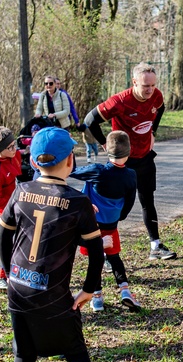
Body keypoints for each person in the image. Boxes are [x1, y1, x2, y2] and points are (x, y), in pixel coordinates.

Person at [0, 127, 134, 362]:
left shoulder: (20, 191)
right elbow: (97, 250)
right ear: (70, 161)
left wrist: (10, 275)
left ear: (32, 159)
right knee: (76, 354)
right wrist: (90, 288)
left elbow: (3, 235)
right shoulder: (77, 201)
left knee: (23, 357)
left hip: (18, 289)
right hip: (53, 295)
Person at [82, 63, 176, 260]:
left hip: (145, 159)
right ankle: (106, 253)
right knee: (115, 208)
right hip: (122, 162)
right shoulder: (120, 101)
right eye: (145, 86)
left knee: (147, 202)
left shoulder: (156, 95)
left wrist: (153, 132)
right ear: (134, 82)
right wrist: (104, 143)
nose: (150, 90)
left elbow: (160, 108)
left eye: (152, 85)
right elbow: (90, 120)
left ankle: (155, 246)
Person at [74, 131, 140, 312]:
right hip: (112, 225)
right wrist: (120, 216)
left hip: (92, 225)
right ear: (129, 151)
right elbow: (129, 201)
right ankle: (125, 291)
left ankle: (97, 298)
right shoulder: (131, 175)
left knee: (95, 261)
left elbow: (74, 172)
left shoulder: (97, 171)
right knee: (114, 257)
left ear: (105, 149)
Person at [0, 126, 24, 291]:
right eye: (10, 147)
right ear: (0, 150)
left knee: (21, 240)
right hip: (8, 210)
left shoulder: (14, 156)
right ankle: (3, 277)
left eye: (15, 145)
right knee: (10, 242)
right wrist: (9, 209)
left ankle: (18, 270)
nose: (14, 149)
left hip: (20, 204)